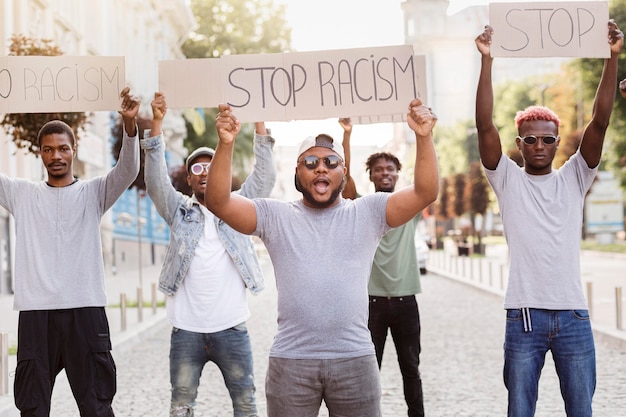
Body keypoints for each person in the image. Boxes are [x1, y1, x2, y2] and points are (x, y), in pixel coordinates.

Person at [204, 98, 439, 417]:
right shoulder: (275, 215)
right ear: (297, 172)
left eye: (330, 162)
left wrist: (424, 137)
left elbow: (425, 192)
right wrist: (226, 144)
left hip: (355, 361)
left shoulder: (367, 212)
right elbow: (218, 202)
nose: (321, 169)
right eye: (310, 162)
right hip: (291, 364)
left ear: (343, 170)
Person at [475, 20, 623, 417]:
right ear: (519, 143)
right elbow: (484, 125)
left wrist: (612, 58)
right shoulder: (505, 178)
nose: (539, 145)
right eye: (530, 139)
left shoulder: (576, 176)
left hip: (574, 316)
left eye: (547, 139)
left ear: (558, 143)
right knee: (520, 411)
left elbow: (600, 121)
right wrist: (487, 61)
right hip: (523, 316)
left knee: (581, 410)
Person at [0, 87, 141, 416]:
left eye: (63, 148)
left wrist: (130, 126)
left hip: (86, 313)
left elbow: (128, 171)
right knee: (32, 408)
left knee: (96, 406)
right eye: (48, 150)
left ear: (73, 150)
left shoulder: (95, 193)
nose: (56, 156)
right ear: (40, 153)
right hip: (36, 316)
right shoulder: (22, 194)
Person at [141, 92, 276, 417]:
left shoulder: (238, 207)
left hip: (232, 328)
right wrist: (156, 122)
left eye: (211, 165)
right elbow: (156, 182)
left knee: (245, 404)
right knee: (181, 406)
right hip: (186, 330)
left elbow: (265, 178)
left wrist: (260, 121)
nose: (204, 172)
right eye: (197, 167)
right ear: (188, 179)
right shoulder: (178, 211)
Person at [340, 117, 425, 417]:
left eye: (390, 169)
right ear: (372, 175)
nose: (385, 173)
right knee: (367, 369)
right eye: (379, 169)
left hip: (405, 301)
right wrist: (347, 135)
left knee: (410, 369)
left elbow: (429, 181)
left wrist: (422, 135)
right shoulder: (362, 209)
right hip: (372, 303)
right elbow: (344, 180)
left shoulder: (410, 206)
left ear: (398, 174)